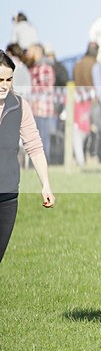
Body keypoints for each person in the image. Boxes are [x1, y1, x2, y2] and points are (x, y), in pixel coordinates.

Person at [0, 52, 55, 263]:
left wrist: (46, 184)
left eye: (8, 79)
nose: (4, 85)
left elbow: (35, 147)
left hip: (7, 195)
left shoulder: (19, 106)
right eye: (0, 80)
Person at [26, 43, 56, 162]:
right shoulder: (34, 67)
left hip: (42, 108)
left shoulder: (44, 68)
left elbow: (46, 88)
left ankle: (43, 161)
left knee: (42, 137)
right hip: (34, 108)